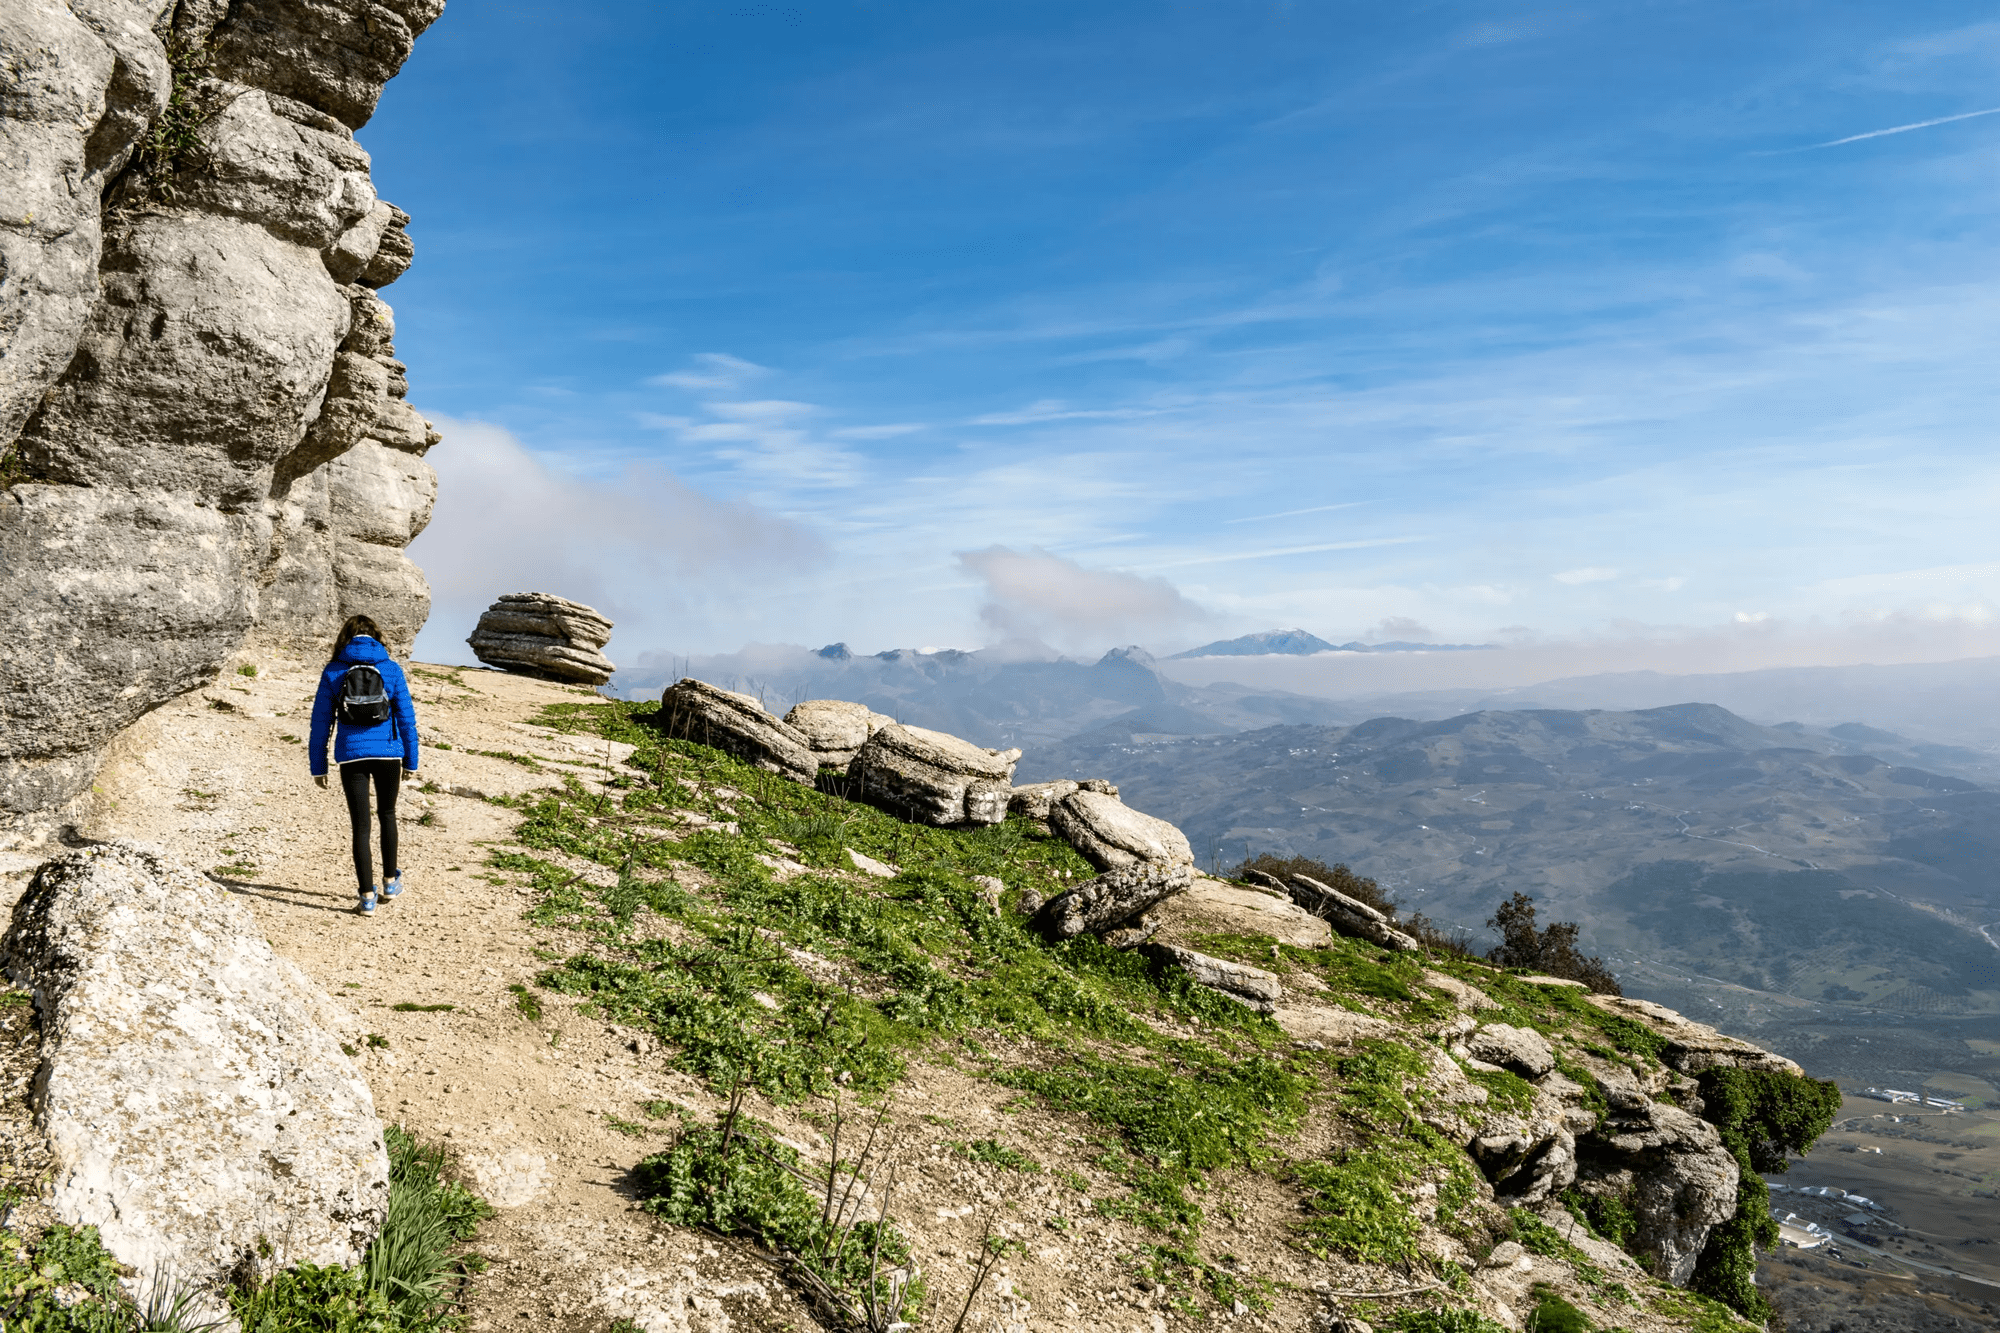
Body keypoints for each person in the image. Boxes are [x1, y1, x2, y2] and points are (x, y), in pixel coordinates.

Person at [308, 614, 420, 917]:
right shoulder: (391, 669)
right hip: (388, 755)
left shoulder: (333, 671)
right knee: (387, 814)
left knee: (360, 826)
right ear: (376, 637)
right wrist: (411, 759)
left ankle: (367, 897)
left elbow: (320, 723)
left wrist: (318, 766)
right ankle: (389, 882)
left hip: (351, 755)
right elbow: (407, 720)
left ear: (345, 638)